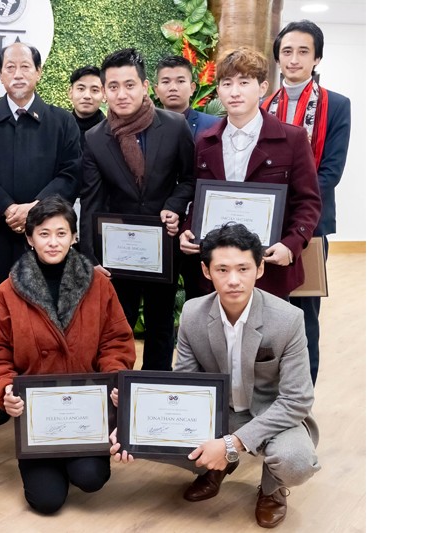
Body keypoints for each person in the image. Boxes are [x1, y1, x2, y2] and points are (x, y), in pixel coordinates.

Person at [111, 223, 319, 529]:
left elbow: (296, 400)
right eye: (222, 269)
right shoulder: (193, 313)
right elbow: (184, 385)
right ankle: (217, 466)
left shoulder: (287, 319)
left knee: (296, 462)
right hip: (217, 413)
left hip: (269, 413)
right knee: (138, 438)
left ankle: (271, 488)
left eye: (243, 268)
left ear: (260, 269)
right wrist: (137, 409)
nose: (233, 280)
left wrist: (232, 444)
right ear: (206, 271)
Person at [0, 195, 136, 515]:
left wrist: (114, 379)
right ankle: (51, 463)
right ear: (29, 238)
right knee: (46, 501)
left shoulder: (99, 286)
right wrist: (6, 389)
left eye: (61, 233)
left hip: (87, 411)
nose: (53, 242)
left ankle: (75, 461)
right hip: (38, 417)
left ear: (74, 237)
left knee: (90, 478)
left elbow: (116, 341)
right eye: (44, 233)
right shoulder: (5, 293)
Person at [0, 42, 81, 427]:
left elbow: (72, 172)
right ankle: (3, 395)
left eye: (25, 66)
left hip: (46, 240)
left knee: (46, 312)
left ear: (38, 72)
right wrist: (7, 209)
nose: (17, 73)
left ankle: (49, 392)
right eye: (9, 67)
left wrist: (35, 211)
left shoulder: (61, 122)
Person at [79, 47, 194, 372]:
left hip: (163, 245)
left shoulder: (174, 126)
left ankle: (156, 383)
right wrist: (90, 257)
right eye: (113, 86)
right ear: (104, 91)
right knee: (119, 324)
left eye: (129, 85)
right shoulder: (95, 138)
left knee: (161, 323)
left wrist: (173, 206)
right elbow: (91, 200)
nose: (121, 94)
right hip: (119, 249)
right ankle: (118, 387)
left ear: (144, 87)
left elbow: (189, 179)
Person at [178, 47, 322, 300]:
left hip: (269, 266)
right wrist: (189, 230)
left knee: (270, 326)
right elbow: (199, 198)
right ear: (218, 90)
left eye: (244, 82)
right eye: (227, 83)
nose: (234, 92)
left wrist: (291, 244)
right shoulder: (205, 141)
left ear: (262, 87)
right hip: (219, 268)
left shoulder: (292, 139)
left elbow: (308, 201)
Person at [262, 20, 352, 385]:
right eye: (287, 51)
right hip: (266, 226)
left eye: (303, 51)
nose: (294, 59)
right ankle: (268, 394)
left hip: (309, 226)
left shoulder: (337, 106)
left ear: (317, 58)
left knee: (303, 313)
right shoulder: (263, 105)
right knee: (268, 312)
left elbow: (331, 172)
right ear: (278, 58)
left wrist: (293, 208)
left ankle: (301, 399)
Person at [154, 54, 221, 302]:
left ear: (193, 87)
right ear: (156, 89)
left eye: (180, 81)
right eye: (166, 81)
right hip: (161, 225)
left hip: (200, 228)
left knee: (201, 296)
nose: (173, 87)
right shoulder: (144, 127)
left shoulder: (214, 127)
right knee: (160, 300)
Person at [68, 65, 105, 151]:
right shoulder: (58, 129)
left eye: (95, 90)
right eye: (81, 89)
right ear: (70, 92)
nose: (87, 96)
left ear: (104, 95)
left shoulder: (111, 132)